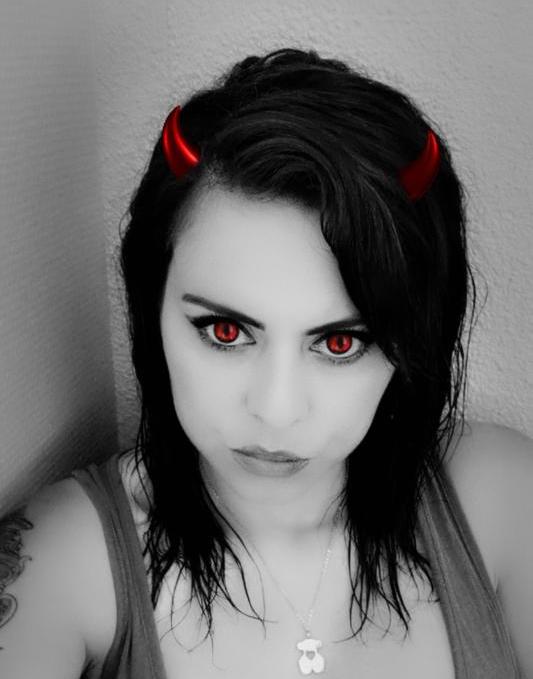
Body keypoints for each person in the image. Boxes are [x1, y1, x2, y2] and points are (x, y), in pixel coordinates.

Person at [0, 47, 531, 679]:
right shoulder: (62, 565)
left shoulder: (502, 499)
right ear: (152, 306)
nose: (276, 411)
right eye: (225, 332)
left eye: (340, 344)